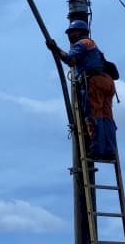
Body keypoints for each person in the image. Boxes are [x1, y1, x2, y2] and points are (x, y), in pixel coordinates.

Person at [46, 20, 118, 162]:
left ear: (81, 31)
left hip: (94, 82)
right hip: (107, 82)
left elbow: (70, 60)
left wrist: (55, 48)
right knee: (106, 117)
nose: (70, 35)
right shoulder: (95, 48)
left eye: (72, 32)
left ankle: (97, 149)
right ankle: (109, 151)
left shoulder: (82, 43)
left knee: (94, 116)